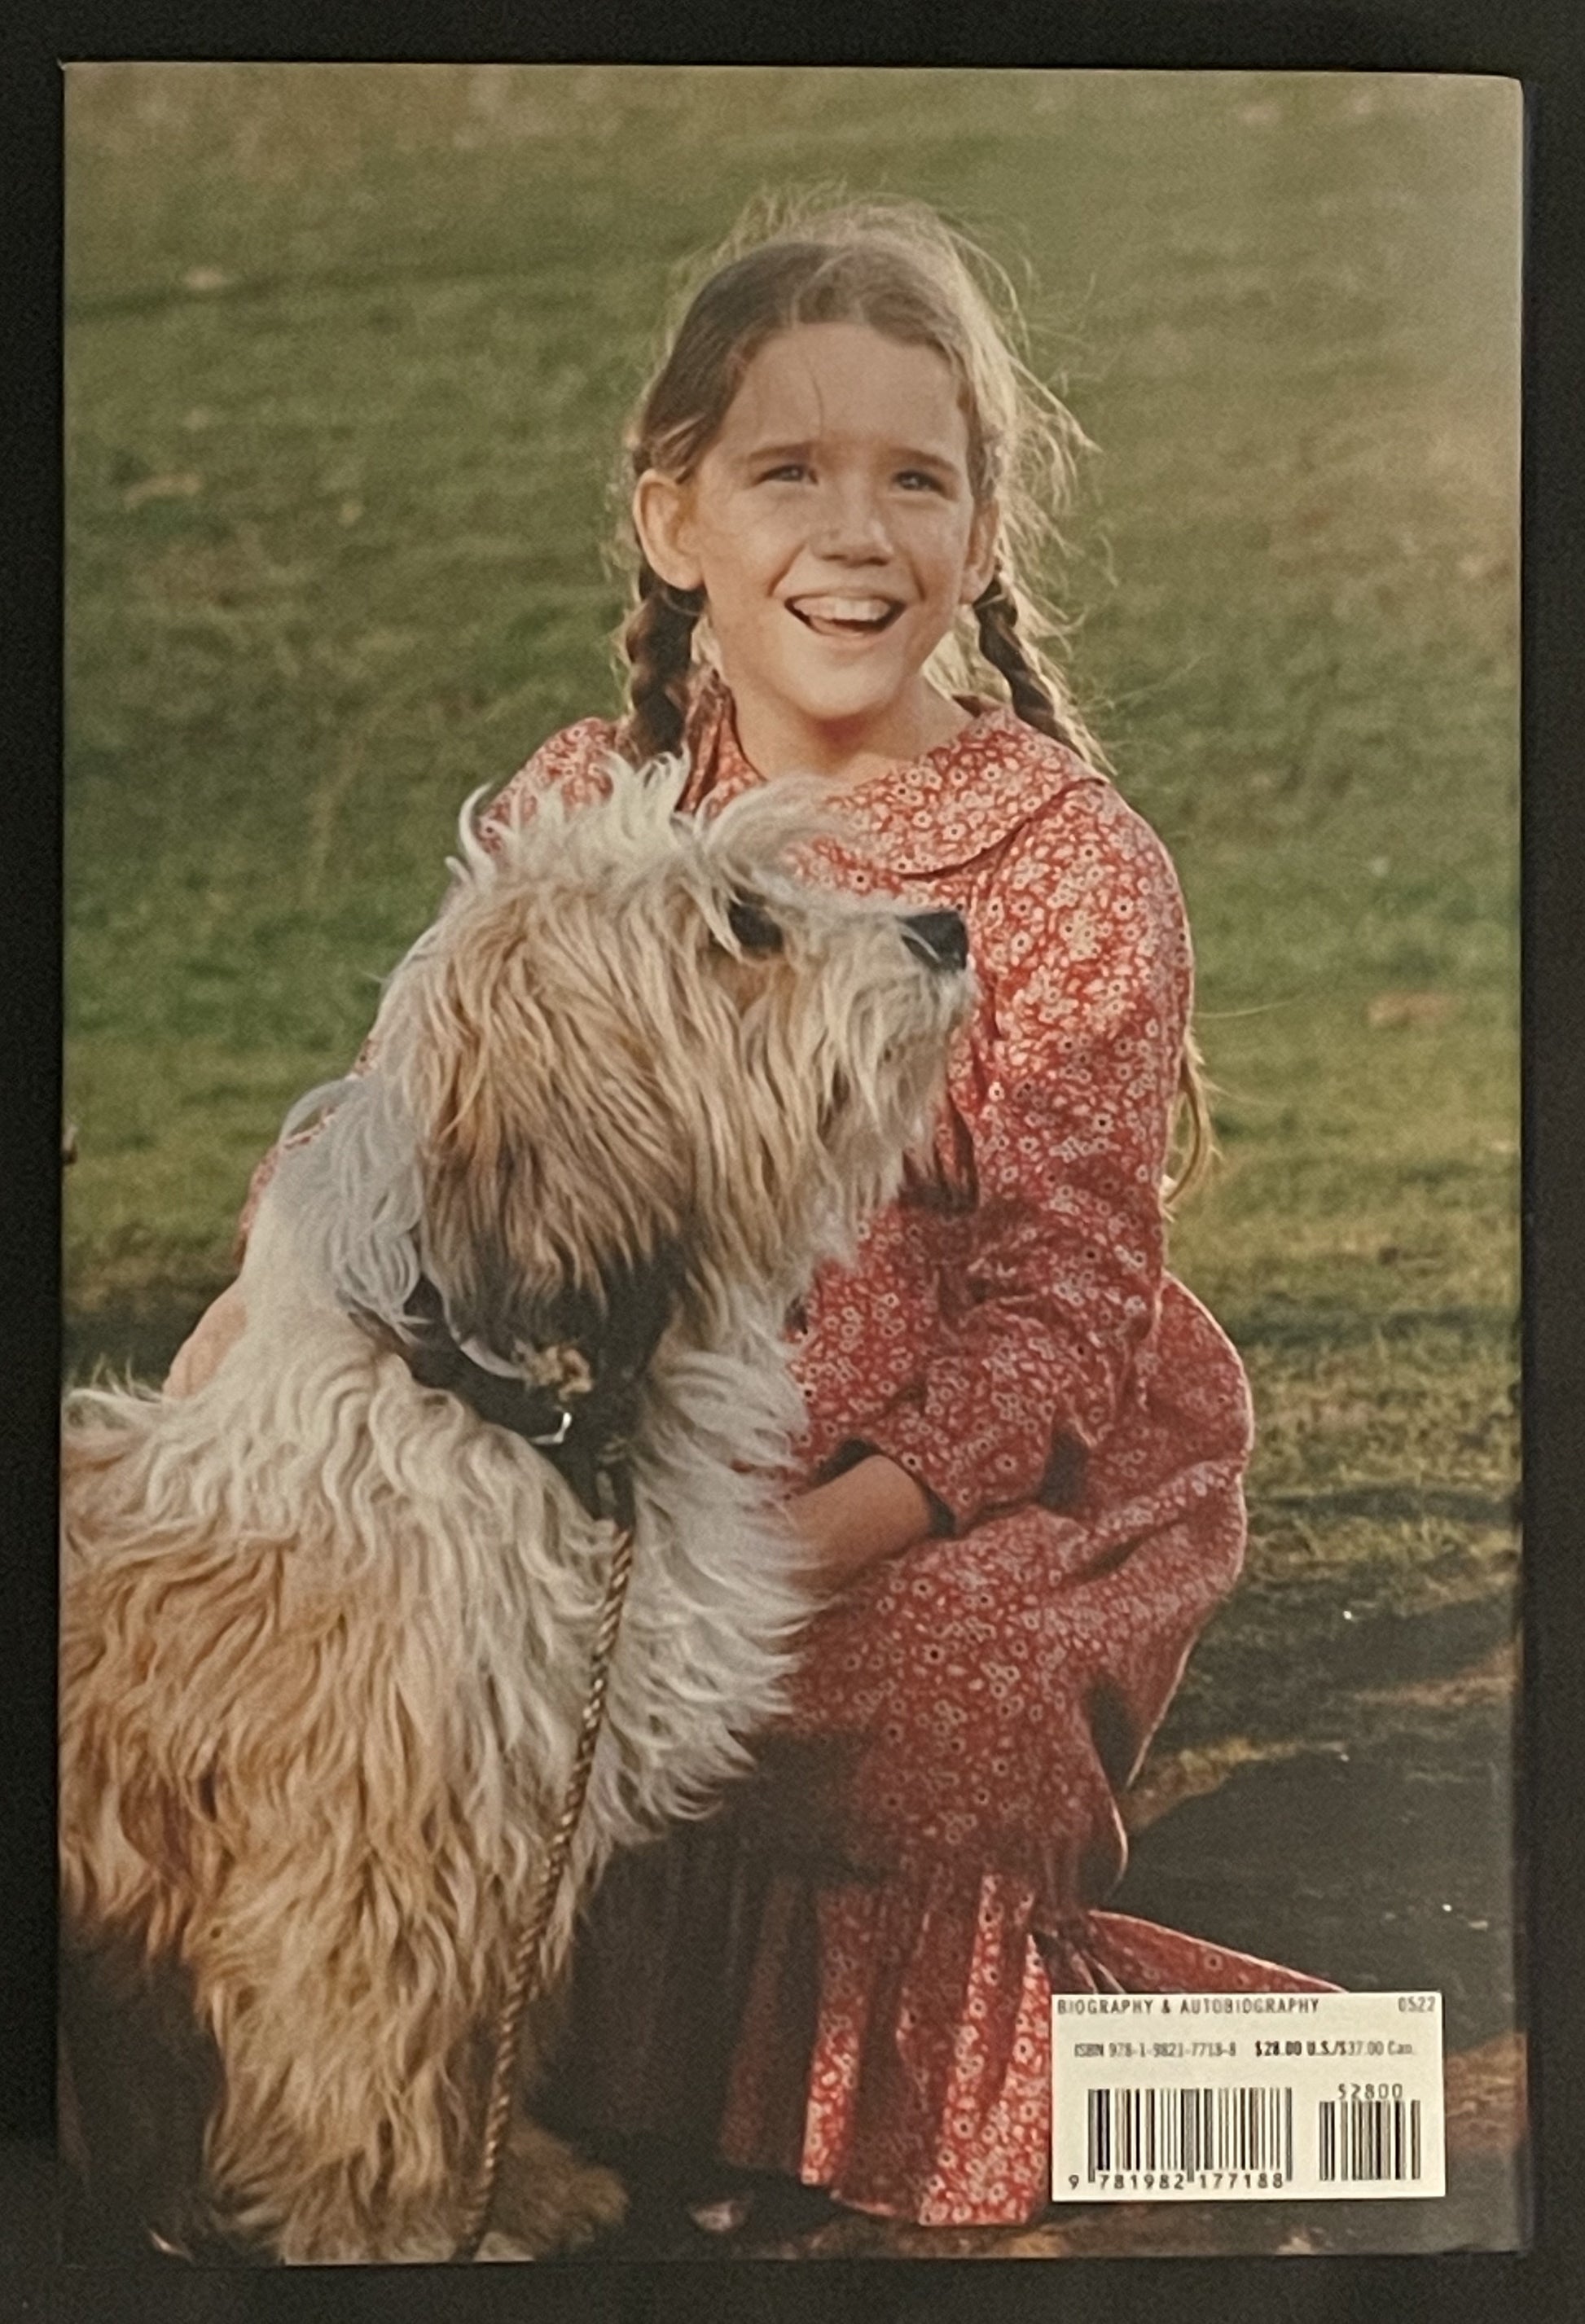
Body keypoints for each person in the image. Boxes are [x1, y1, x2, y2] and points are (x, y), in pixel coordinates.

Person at [168, 197, 1331, 2231]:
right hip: (606, 1469)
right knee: (402, 1685)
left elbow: (1065, 1313)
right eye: (788, 470)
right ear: (674, 518)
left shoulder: (1070, 864)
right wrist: (236, 1363)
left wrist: (770, 1562)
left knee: (906, 1718)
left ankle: (1297, 2097)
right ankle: (420, 2072)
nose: (853, 532)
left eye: (914, 480)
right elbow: (396, 1138)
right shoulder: (585, 802)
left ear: (982, 530)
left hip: (925, 1495)